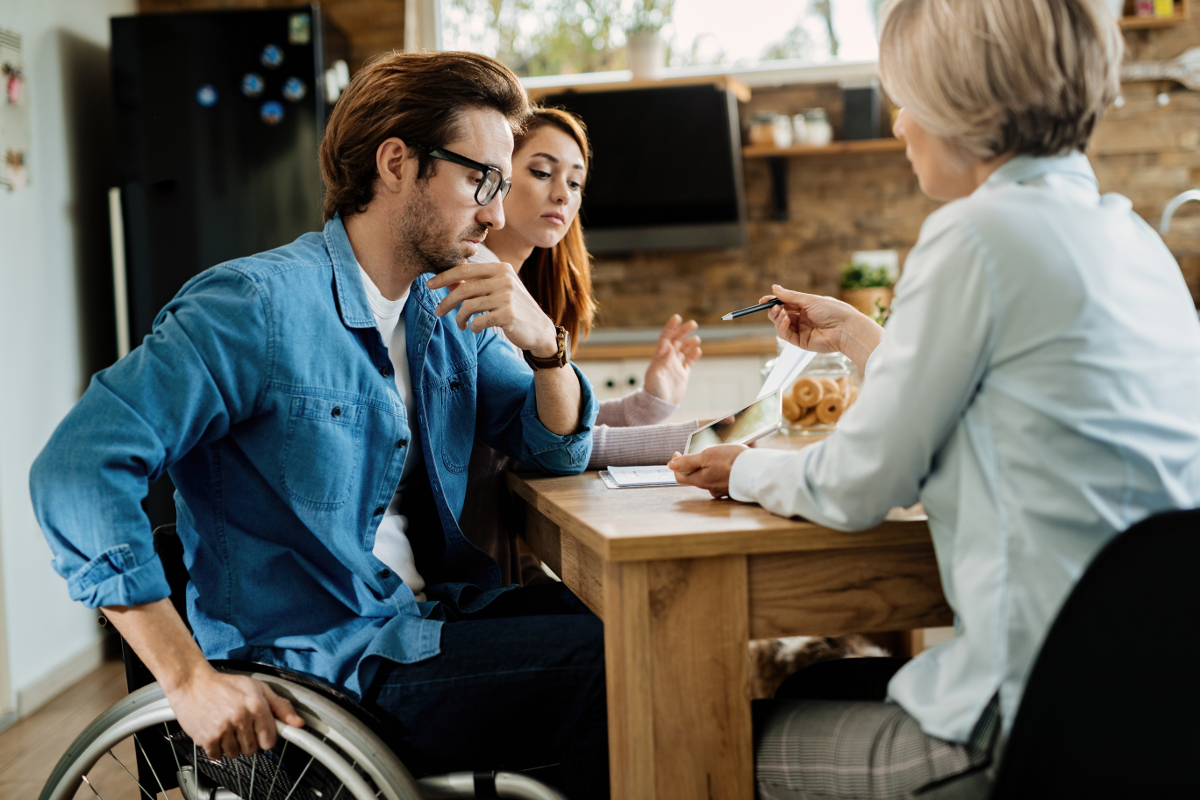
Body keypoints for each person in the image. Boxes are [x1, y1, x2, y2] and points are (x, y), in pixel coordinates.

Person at [31, 51, 610, 798]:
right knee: (609, 666)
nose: (497, 214)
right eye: (482, 180)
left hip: (423, 623)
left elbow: (557, 451)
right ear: (397, 162)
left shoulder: (445, 310)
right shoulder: (256, 307)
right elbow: (76, 468)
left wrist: (546, 347)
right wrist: (186, 679)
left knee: (626, 624)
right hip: (325, 672)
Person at [669, 0, 1200, 797]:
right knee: (822, 688)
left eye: (908, 99)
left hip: (1020, 732)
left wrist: (739, 468)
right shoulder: (1133, 240)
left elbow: (860, 483)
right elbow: (987, 410)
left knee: (698, 739)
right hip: (1156, 715)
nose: (899, 126)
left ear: (967, 106)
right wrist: (856, 335)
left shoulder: (976, 235)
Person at [460, 106, 704, 585]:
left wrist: (646, 405)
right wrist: (706, 438)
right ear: (497, 178)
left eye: (574, 183)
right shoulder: (476, 291)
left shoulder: (518, 294)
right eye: (542, 172)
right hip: (476, 570)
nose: (561, 195)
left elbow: (548, 428)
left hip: (503, 547)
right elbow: (549, 447)